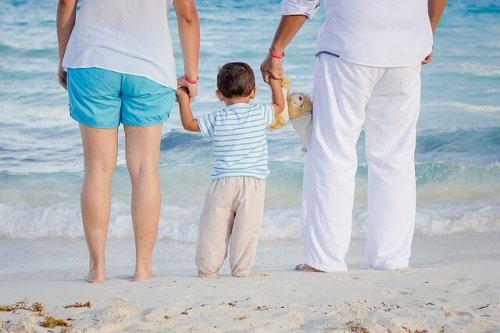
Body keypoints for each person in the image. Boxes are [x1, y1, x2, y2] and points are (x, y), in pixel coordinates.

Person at [261, 0, 447, 272]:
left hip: (348, 47)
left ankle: (325, 259)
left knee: (332, 151)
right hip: (407, 50)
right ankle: (391, 258)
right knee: (395, 156)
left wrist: (276, 51)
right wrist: (426, 34)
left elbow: (301, 3)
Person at [56, 0, 200, 282]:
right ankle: (143, 269)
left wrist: (64, 57)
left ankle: (97, 269)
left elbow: (65, 4)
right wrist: (191, 76)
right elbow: (187, 16)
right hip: (151, 68)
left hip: (91, 62)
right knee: (145, 169)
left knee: (97, 169)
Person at [176, 62, 285, 277]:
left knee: (213, 227)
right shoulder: (260, 113)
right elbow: (279, 106)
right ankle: (241, 268)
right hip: (253, 182)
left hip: (222, 182)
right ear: (253, 92)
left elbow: (189, 124)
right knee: (247, 228)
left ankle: (207, 269)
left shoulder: (217, 117)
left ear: (219, 95)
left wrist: (182, 97)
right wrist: (275, 81)